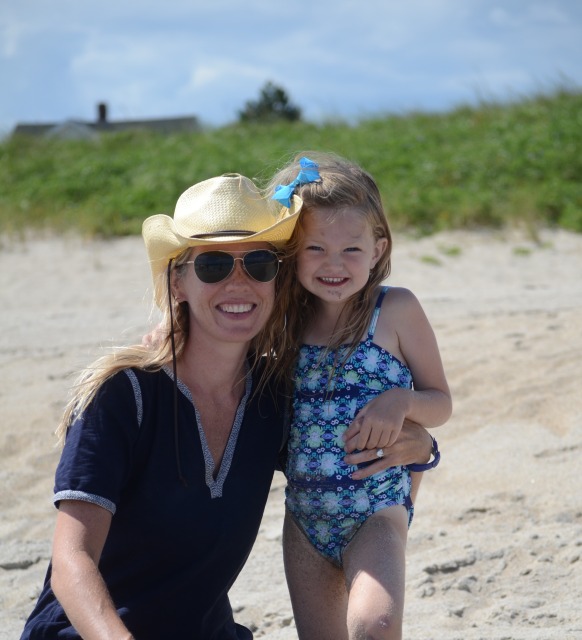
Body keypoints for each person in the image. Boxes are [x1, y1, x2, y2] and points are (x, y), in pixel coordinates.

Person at [20, 172, 434, 640]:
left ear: (277, 279)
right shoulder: (123, 395)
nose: (239, 283)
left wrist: (422, 445)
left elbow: (339, 455)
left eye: (258, 263)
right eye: (214, 265)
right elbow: (71, 562)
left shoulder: (273, 397)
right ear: (178, 281)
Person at [267, 153, 452, 640]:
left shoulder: (396, 309)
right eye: (315, 248)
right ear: (291, 251)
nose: (334, 264)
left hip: (377, 508)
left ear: (378, 248)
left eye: (352, 248)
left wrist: (401, 401)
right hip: (304, 519)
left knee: (376, 625)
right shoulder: (282, 322)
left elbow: (440, 401)